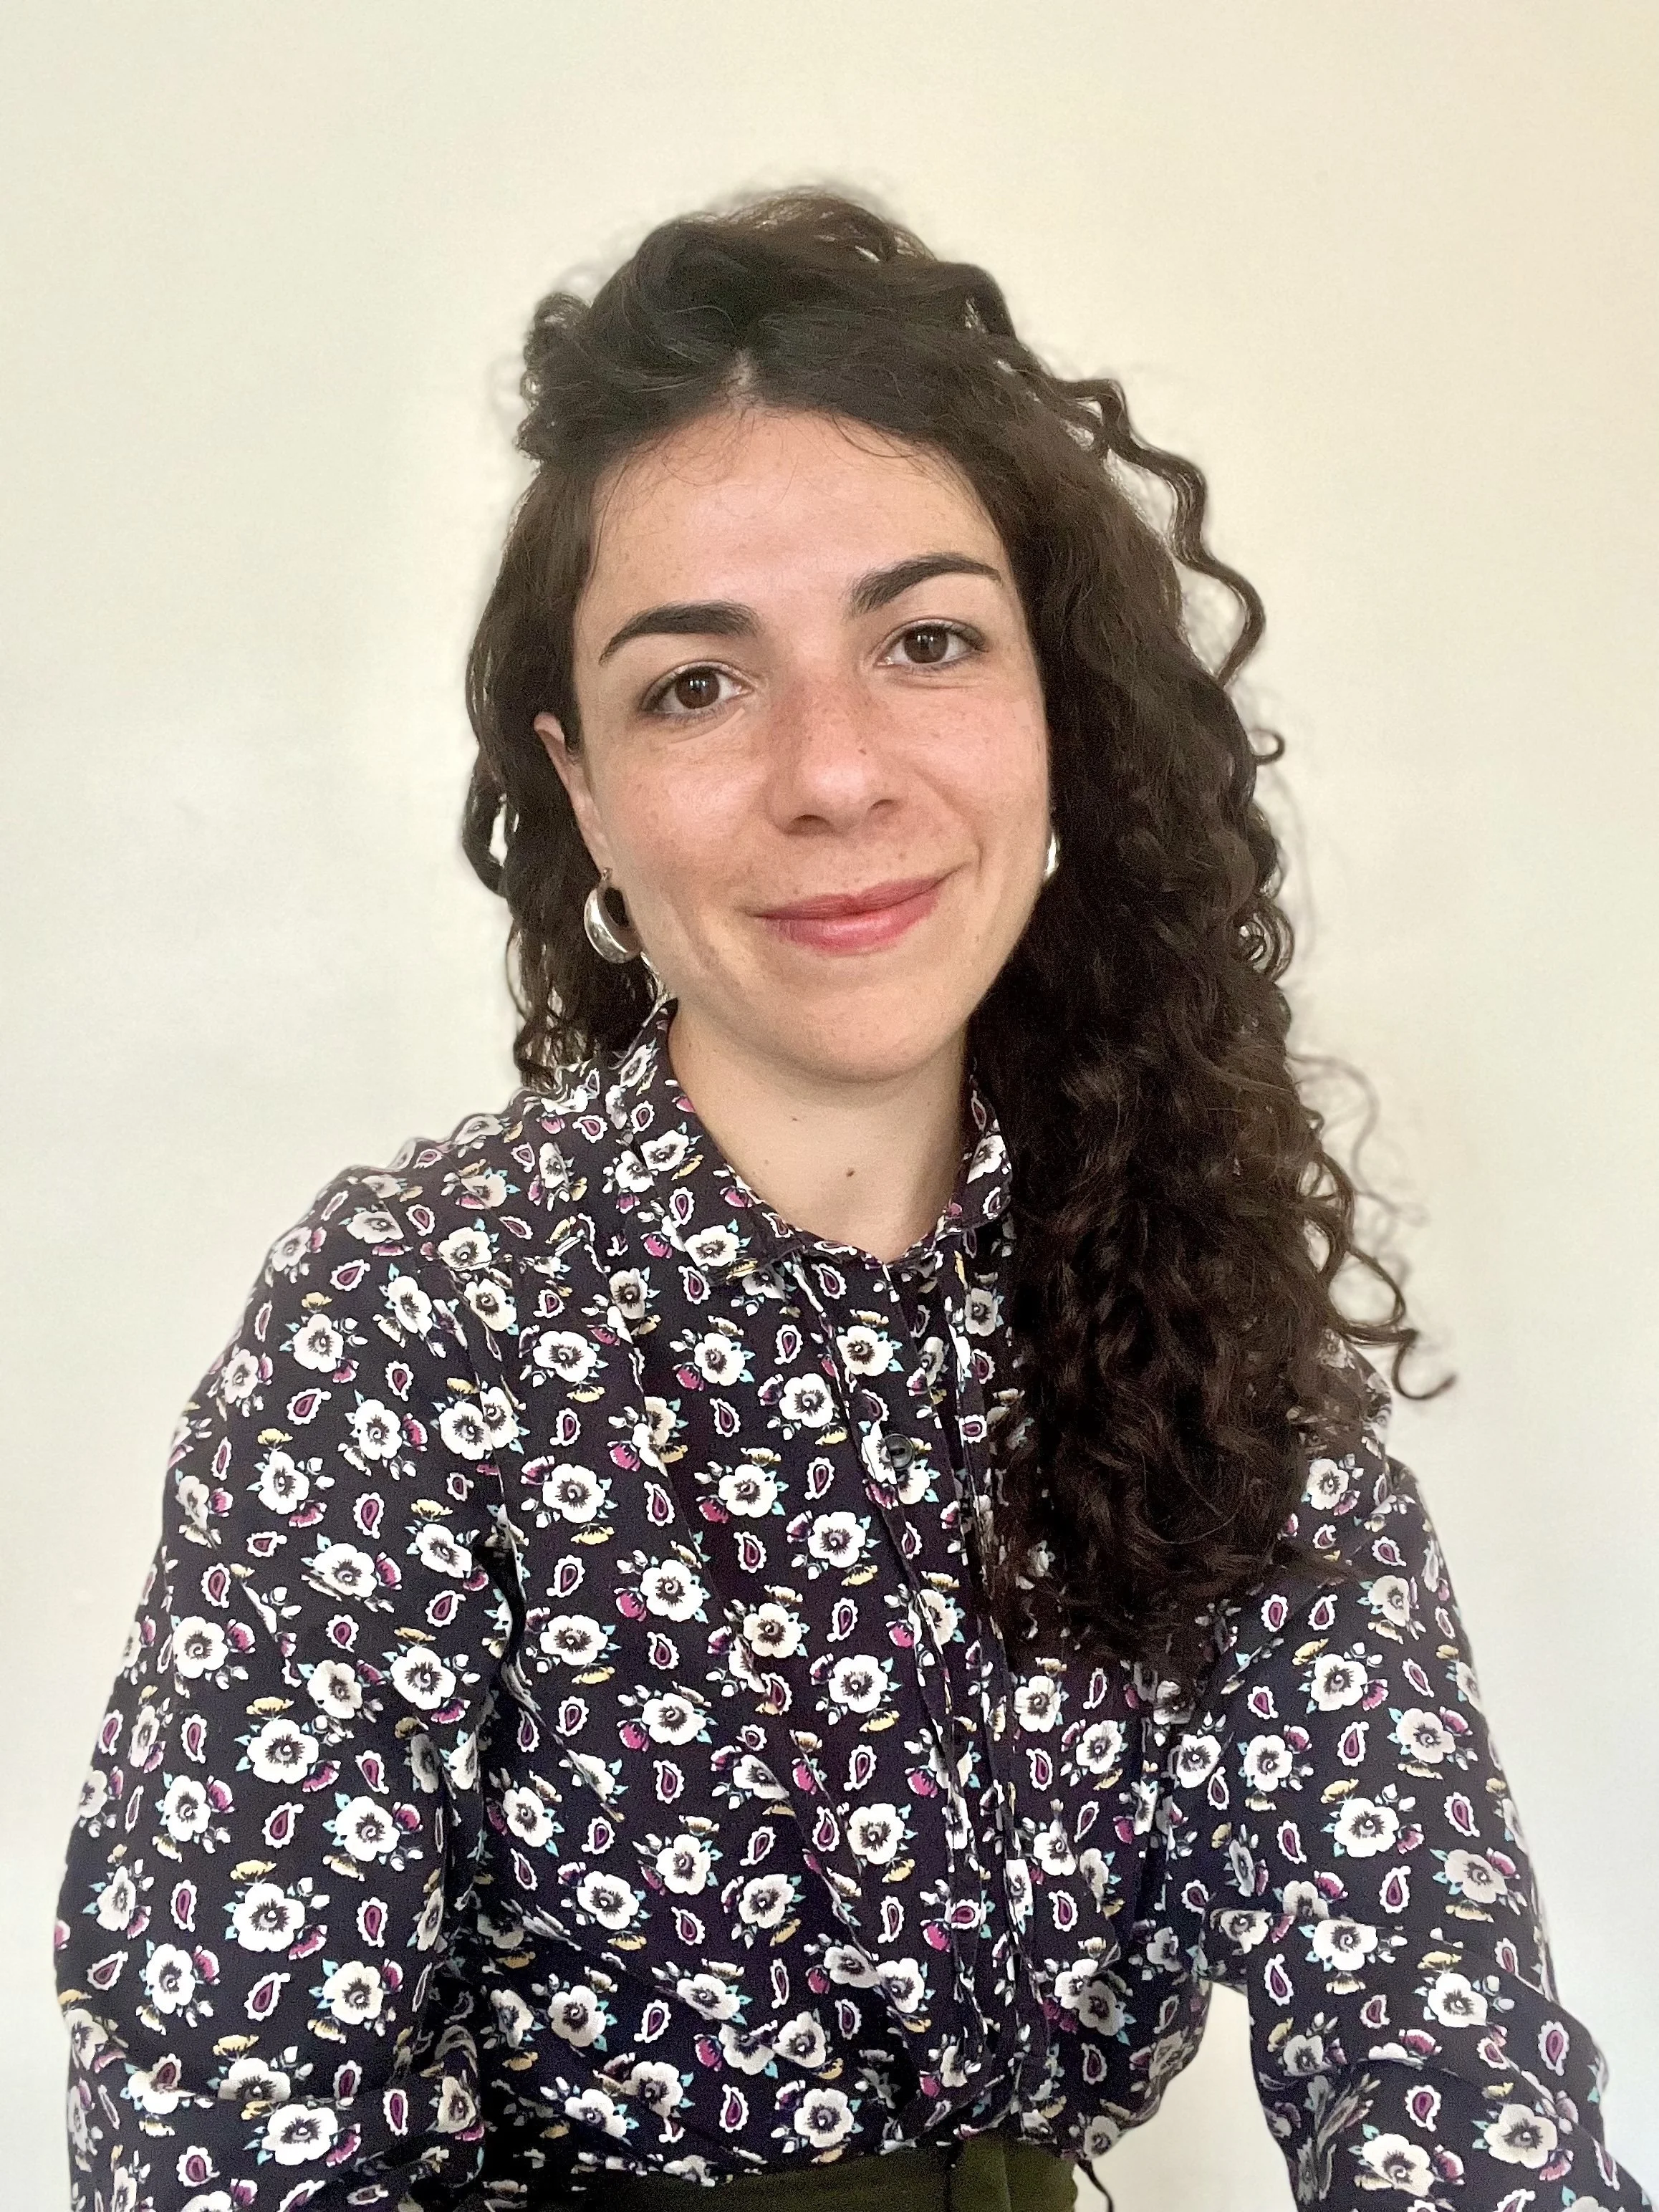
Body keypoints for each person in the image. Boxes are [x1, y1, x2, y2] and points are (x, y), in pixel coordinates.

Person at [54, 191, 1648, 2212]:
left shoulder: (1193, 1303)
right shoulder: (412, 1314)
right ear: (582, 792)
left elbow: (1448, 2058)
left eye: (924, 643)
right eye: (696, 686)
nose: (832, 772)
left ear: (1057, 717)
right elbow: (226, 2128)